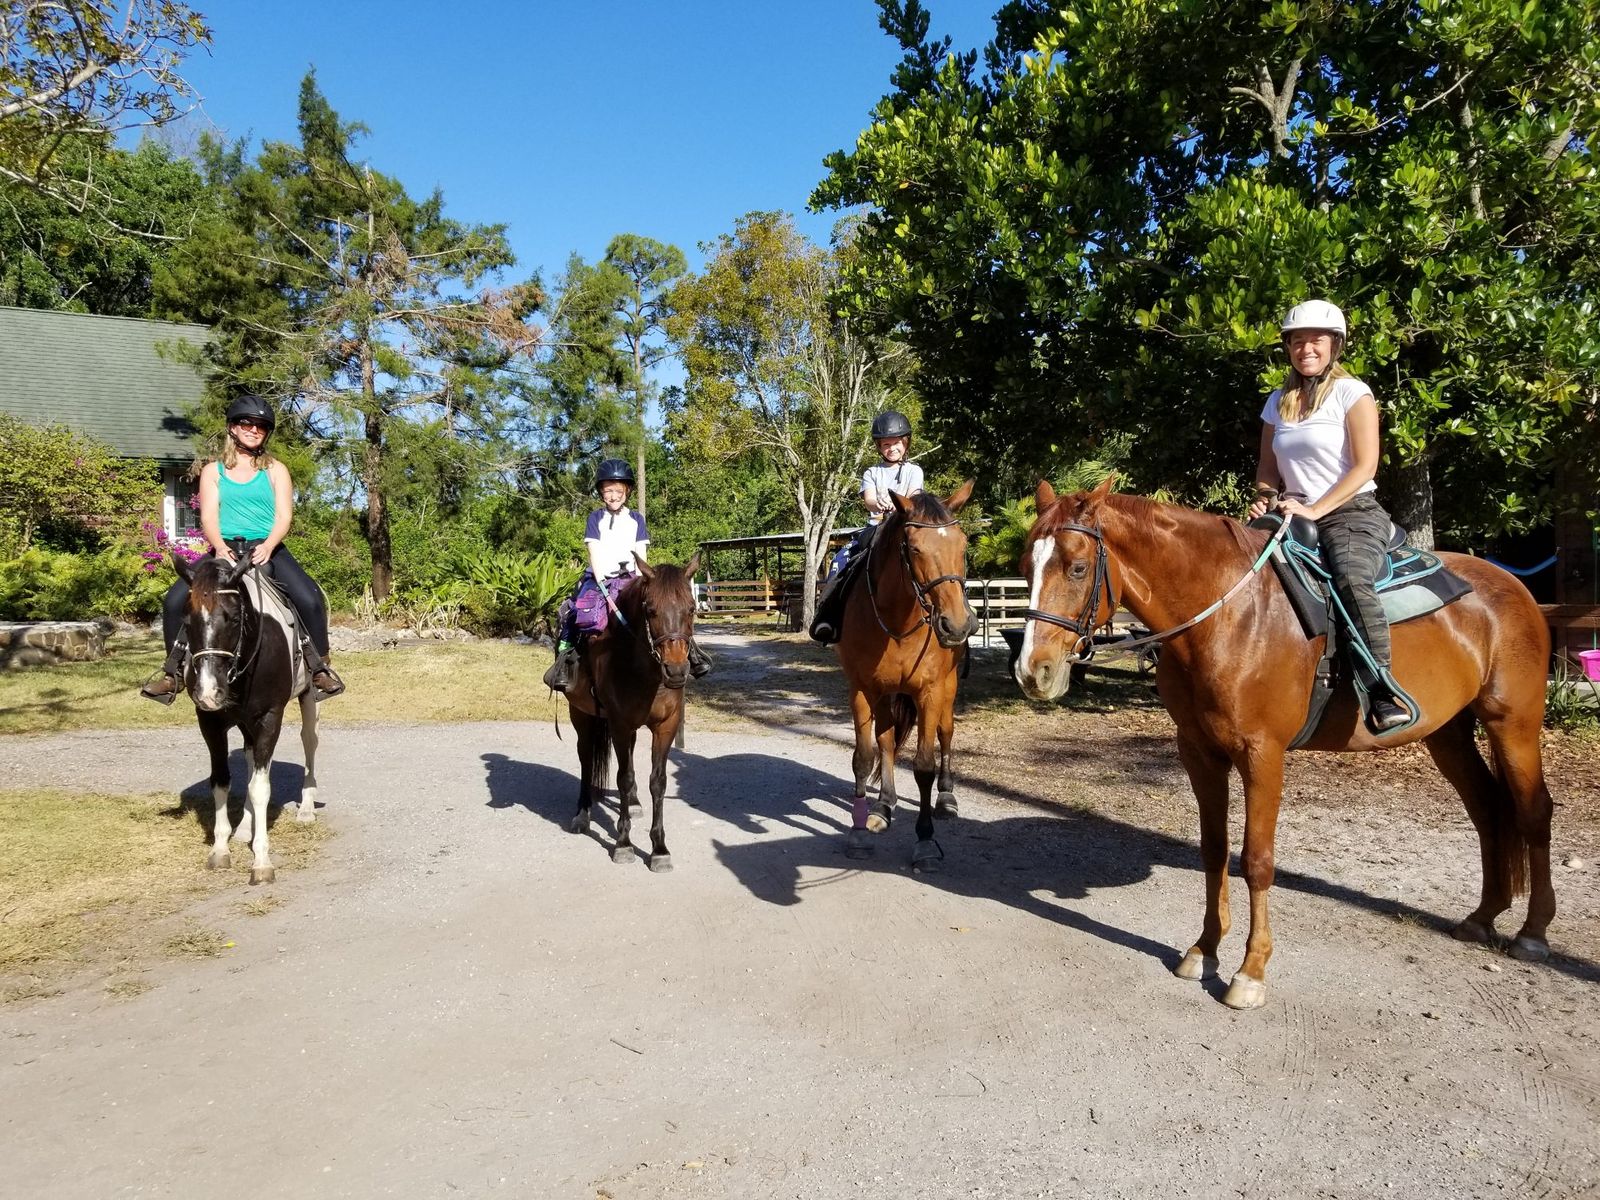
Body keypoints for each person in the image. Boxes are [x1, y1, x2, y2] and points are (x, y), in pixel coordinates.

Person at [1247, 300, 1409, 734]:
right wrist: (1265, 497)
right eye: (1297, 341)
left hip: (1351, 512)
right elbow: (1267, 470)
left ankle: (1381, 689)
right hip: (1290, 513)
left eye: (1315, 340)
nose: (1306, 349)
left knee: (1352, 579)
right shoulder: (1277, 402)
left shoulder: (1352, 393)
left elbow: (1365, 467)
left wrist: (1317, 508)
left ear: (1334, 345)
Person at [140, 395, 345, 704]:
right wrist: (219, 547)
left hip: (266, 548)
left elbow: (284, 516)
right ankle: (172, 674)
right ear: (233, 428)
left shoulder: (276, 470)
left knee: (310, 598)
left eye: (261, 426)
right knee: (173, 601)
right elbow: (208, 516)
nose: (253, 429)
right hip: (223, 550)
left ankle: (319, 669)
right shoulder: (213, 471)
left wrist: (269, 545)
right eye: (246, 423)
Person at [542, 457, 712, 693]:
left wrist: (644, 580)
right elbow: (594, 551)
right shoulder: (595, 519)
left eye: (618, 490)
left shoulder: (636, 520)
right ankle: (563, 661)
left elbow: (641, 554)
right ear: (601, 492)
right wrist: (601, 582)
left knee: (666, 610)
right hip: (599, 578)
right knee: (575, 610)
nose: (613, 495)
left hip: (631, 578)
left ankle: (691, 653)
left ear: (627, 491)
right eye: (608, 490)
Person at [809, 410, 925, 643]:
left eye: (896, 443)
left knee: (936, 557)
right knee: (839, 562)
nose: (891, 448)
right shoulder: (872, 472)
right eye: (886, 444)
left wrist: (896, 503)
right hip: (876, 527)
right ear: (879, 447)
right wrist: (878, 502)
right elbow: (869, 500)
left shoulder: (915, 471)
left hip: (905, 528)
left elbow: (913, 499)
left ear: (906, 443)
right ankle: (828, 618)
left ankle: (959, 613)